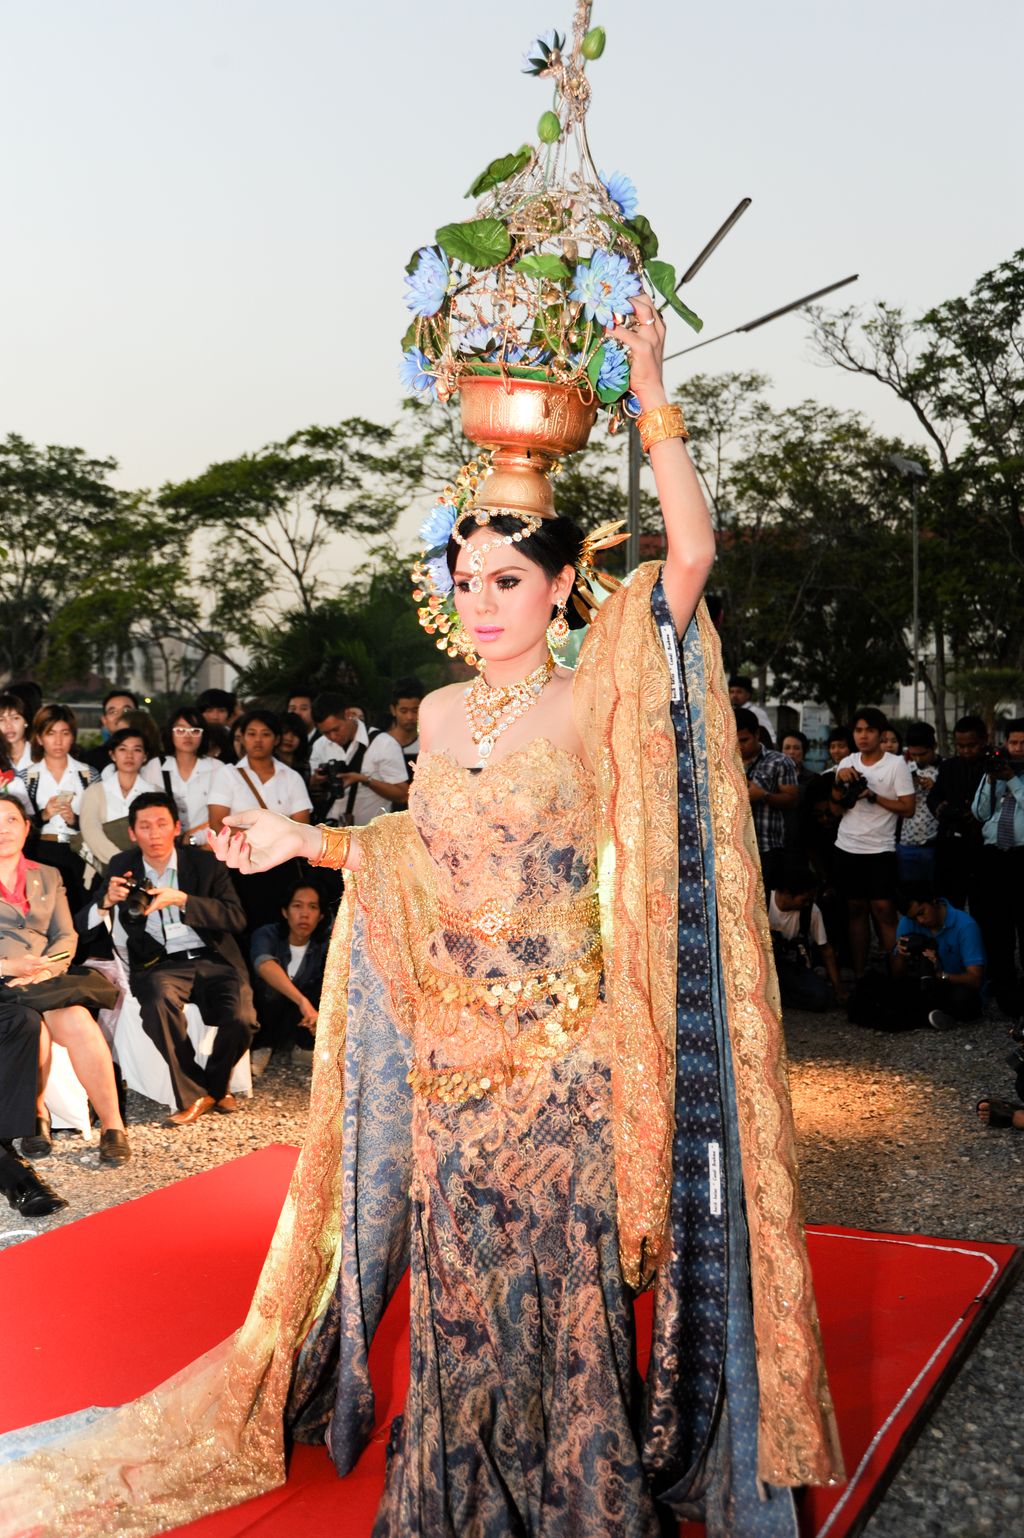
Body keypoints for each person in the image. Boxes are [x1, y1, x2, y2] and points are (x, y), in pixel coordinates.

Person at [0, 299, 841, 1534]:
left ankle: (579, 1493)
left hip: (566, 1057)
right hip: (450, 1054)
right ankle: (455, 1494)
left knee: (560, 1283)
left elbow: (692, 556)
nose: (482, 602)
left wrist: (652, 388)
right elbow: (420, 848)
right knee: (458, 1285)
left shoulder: (595, 693)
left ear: (563, 585)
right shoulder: (440, 715)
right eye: (465, 581)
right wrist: (304, 840)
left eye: (508, 579)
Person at [75, 793, 256, 1127]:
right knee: (157, 1003)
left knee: (243, 1018)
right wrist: (105, 901)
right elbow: (80, 926)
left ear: (176, 827)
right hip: (158, 963)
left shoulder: (205, 864)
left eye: (161, 824)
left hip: (212, 957)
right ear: (132, 833)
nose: (154, 834)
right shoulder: (121, 865)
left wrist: (183, 900)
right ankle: (194, 1093)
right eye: (144, 826)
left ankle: (215, 1086)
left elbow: (236, 918)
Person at [0, 797, 128, 1169]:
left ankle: (113, 1125)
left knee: (80, 1022)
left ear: (27, 827)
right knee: (32, 1027)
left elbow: (65, 936)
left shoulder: (48, 874)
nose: (3, 829)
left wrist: (45, 970)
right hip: (4, 981)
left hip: (44, 978)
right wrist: (9, 965)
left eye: (11, 820)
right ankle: (35, 1115)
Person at [831, 707, 916, 978]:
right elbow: (835, 809)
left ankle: (899, 979)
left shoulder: (896, 764)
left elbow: (908, 808)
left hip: (880, 849)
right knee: (855, 910)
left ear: (881, 734)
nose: (863, 736)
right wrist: (838, 782)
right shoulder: (847, 763)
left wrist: (873, 795)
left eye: (869, 730)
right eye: (858, 730)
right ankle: (859, 977)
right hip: (847, 846)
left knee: (884, 911)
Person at [848, 881, 985, 1032]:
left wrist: (940, 975)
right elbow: (897, 975)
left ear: (933, 901)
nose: (920, 921)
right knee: (875, 987)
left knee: (964, 1000)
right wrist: (901, 955)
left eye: (921, 913)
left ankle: (925, 1014)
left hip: (952, 984)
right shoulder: (907, 923)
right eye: (914, 918)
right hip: (922, 984)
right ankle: (931, 1015)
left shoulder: (964, 925)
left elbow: (975, 979)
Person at [226, 710, 314, 930]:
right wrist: (265, 837)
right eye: (251, 734)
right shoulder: (227, 774)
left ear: (276, 739)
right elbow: (218, 823)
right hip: (240, 863)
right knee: (245, 926)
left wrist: (267, 838)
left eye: (265, 734)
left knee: (281, 927)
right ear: (242, 737)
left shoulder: (291, 777)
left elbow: (303, 825)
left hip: (283, 864)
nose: (258, 740)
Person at [19, 704, 98, 912]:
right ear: (39, 738)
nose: (58, 740)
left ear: (73, 737)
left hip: (79, 852)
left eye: (65, 733)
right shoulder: (27, 777)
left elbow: (99, 821)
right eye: (51, 733)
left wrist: (74, 820)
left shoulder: (88, 774)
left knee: (79, 910)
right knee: (42, 912)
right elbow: (18, 823)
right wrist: (44, 814)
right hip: (41, 851)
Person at [970, 718, 1024, 1017]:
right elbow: (979, 813)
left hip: (1021, 856)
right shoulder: (996, 769)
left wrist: (1013, 780)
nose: (1018, 748)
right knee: (997, 927)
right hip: (994, 856)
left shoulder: (1013, 775)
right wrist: (992, 780)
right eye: (1013, 742)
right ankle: (1006, 993)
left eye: (1023, 743)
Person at [249, 879, 328, 1075]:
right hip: (266, 1015)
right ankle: (262, 1046)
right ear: (285, 911)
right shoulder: (267, 934)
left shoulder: (324, 945)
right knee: (271, 987)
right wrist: (302, 1001)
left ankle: (304, 1045)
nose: (305, 914)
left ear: (320, 916)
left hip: (299, 1020)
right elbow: (264, 964)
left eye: (313, 907)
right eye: (297, 906)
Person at [141, 706, 235, 845]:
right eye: (180, 730)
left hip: (206, 847)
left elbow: (225, 817)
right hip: (163, 845)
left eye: (195, 731)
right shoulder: (155, 767)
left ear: (203, 735)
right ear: (170, 733)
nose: (187, 736)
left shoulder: (217, 768)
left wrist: (194, 839)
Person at [734, 707, 798, 894]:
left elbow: (792, 799)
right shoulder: (723, 762)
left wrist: (763, 795)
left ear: (757, 734)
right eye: (734, 741)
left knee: (764, 902)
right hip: (733, 846)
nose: (739, 746)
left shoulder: (779, 761)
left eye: (744, 740)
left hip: (767, 847)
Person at [927, 714, 988, 909]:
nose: (966, 751)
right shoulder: (949, 767)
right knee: (949, 906)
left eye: (971, 746)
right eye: (960, 746)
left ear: (984, 741)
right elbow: (933, 798)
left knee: (984, 908)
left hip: (983, 848)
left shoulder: (993, 768)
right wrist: (947, 811)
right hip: (950, 846)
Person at [341, 682, 421, 824]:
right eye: (403, 711)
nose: (409, 717)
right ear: (393, 710)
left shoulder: (427, 745)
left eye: (415, 710)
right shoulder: (379, 742)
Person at [769, 865, 845, 1011]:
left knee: (820, 997)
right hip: (761, 966)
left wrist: (838, 989)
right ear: (787, 894)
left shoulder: (811, 912)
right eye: (804, 900)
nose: (807, 904)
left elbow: (826, 949)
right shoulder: (761, 901)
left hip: (790, 966)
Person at [79, 727, 150, 871]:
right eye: (122, 749)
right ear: (112, 755)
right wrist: (122, 861)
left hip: (146, 867)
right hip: (104, 868)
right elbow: (90, 830)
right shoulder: (95, 791)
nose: (129, 756)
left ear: (145, 756)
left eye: (137, 750)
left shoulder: (155, 793)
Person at [897, 721, 942, 883]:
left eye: (922, 754)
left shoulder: (946, 768)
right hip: (906, 842)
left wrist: (936, 787)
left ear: (934, 746)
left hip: (935, 843)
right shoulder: (904, 768)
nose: (917, 758)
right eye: (913, 754)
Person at [80, 690, 139, 773]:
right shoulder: (90, 759)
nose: (120, 716)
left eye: (126, 710)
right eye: (113, 712)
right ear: (104, 720)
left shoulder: (154, 756)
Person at [728, 674, 773, 743]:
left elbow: (771, 738)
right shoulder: (728, 712)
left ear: (748, 694)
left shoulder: (756, 712)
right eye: (732, 692)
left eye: (739, 692)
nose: (734, 695)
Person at [0, 692, 34, 773]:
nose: (8, 725)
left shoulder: (41, 756)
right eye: (1, 720)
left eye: (15, 718)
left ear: (26, 722)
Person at [276, 711, 312, 779]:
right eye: (285, 732)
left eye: (295, 734)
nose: (289, 738)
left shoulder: (305, 765)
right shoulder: (266, 762)